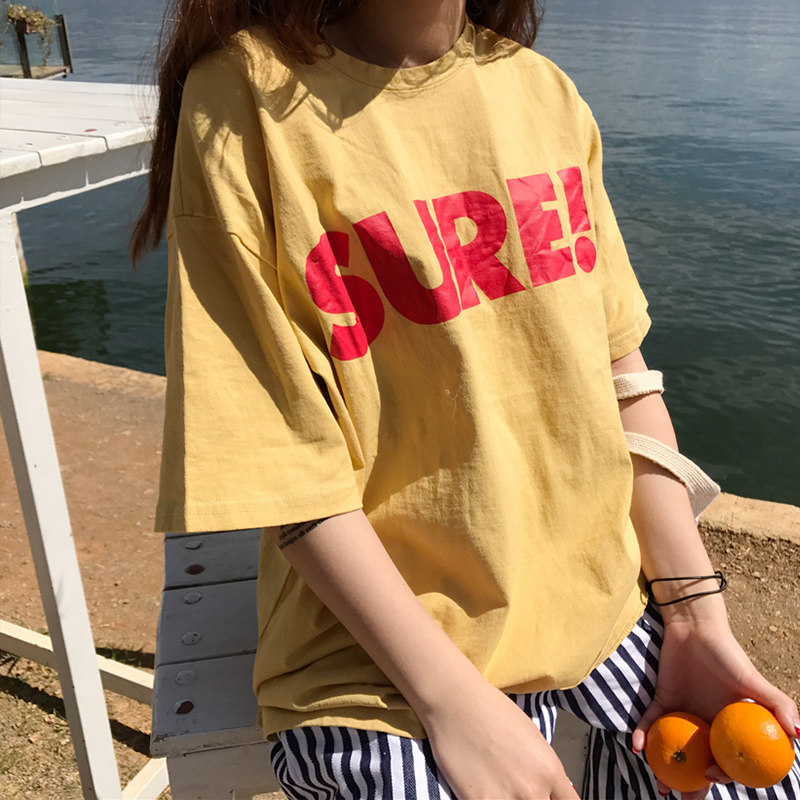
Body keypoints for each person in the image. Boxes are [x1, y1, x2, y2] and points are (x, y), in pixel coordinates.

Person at [131, 1, 800, 797]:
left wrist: (693, 614)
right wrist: (453, 702)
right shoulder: (245, 100)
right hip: (378, 650)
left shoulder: (540, 90)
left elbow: (625, 382)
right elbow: (286, 465)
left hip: (600, 607)